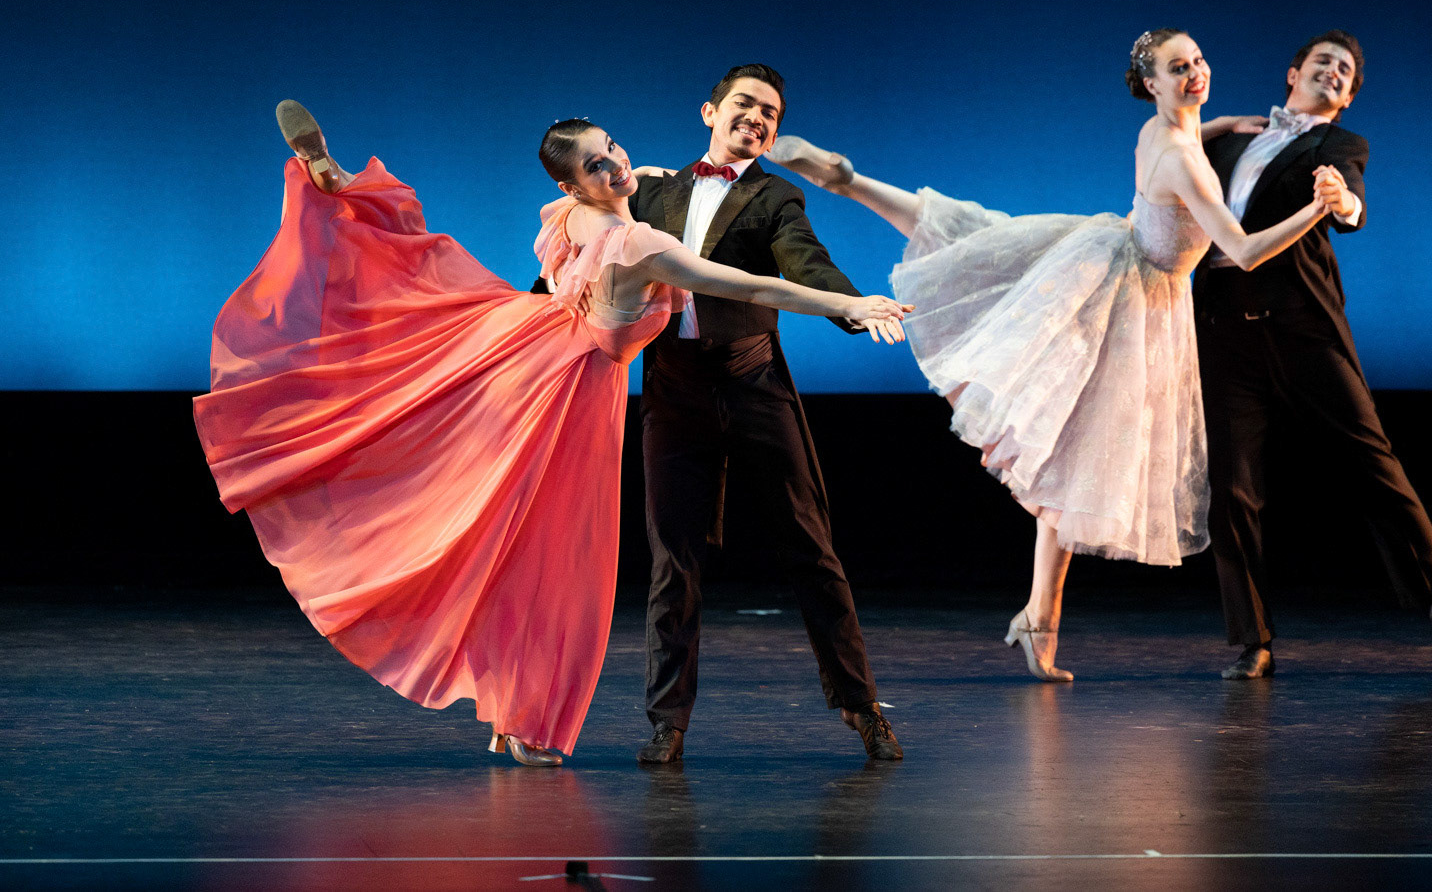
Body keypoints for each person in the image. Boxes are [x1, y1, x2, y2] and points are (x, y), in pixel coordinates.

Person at [192, 103, 908, 767]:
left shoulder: (571, 215)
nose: (616, 164)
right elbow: (752, 287)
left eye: (613, 148)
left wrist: (639, 171)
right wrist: (848, 303)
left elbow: (637, 180)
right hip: (561, 393)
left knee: (509, 532)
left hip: (528, 348)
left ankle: (343, 190)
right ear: (574, 183)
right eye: (598, 164)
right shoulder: (640, 244)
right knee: (552, 561)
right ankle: (523, 717)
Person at [766, 30, 1342, 681]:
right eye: (1179, 67)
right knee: (1071, 457)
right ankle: (1040, 617)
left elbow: (1184, 137)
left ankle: (850, 181)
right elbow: (1241, 250)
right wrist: (1315, 210)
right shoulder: (1182, 156)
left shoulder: (1160, 130)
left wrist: (1219, 124)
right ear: (1151, 83)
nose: (1196, 72)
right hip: (1133, 299)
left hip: (1113, 258)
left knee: (977, 245)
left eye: (1199, 60)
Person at [1194, 30, 1432, 679]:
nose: (1333, 71)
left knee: (1373, 466)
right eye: (1323, 61)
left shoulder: (1339, 145)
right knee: (1232, 488)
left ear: (1348, 97)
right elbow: (1165, 153)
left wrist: (1344, 201)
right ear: (1293, 72)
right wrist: (1216, 123)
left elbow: (1351, 204)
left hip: (1302, 327)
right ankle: (1253, 640)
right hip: (1224, 331)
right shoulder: (1230, 140)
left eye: (1345, 71)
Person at [628, 64, 905, 764]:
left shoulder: (774, 194)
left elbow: (804, 261)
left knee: (811, 546)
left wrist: (852, 305)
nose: (756, 117)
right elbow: (588, 246)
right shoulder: (651, 193)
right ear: (710, 111)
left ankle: (861, 703)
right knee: (673, 560)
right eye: (745, 103)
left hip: (753, 381)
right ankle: (668, 722)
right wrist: (533, 310)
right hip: (673, 390)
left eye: (770, 113)